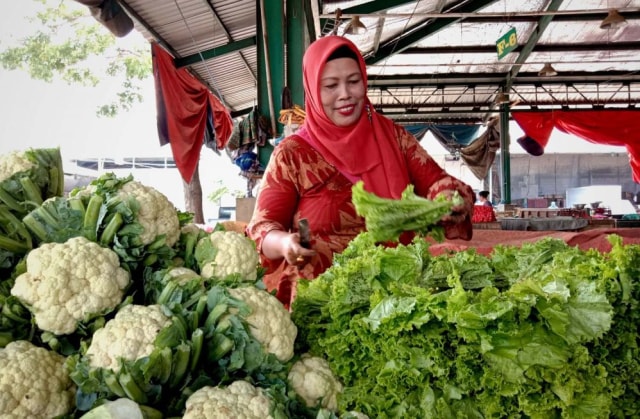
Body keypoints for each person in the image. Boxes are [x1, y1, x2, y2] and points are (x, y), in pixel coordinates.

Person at [246, 36, 475, 308]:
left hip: (396, 296)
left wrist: (449, 198)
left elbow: (438, 181)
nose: (345, 94)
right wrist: (286, 244)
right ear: (312, 91)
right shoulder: (292, 154)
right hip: (321, 299)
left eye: (354, 81)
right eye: (331, 85)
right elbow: (262, 228)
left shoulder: (394, 138)